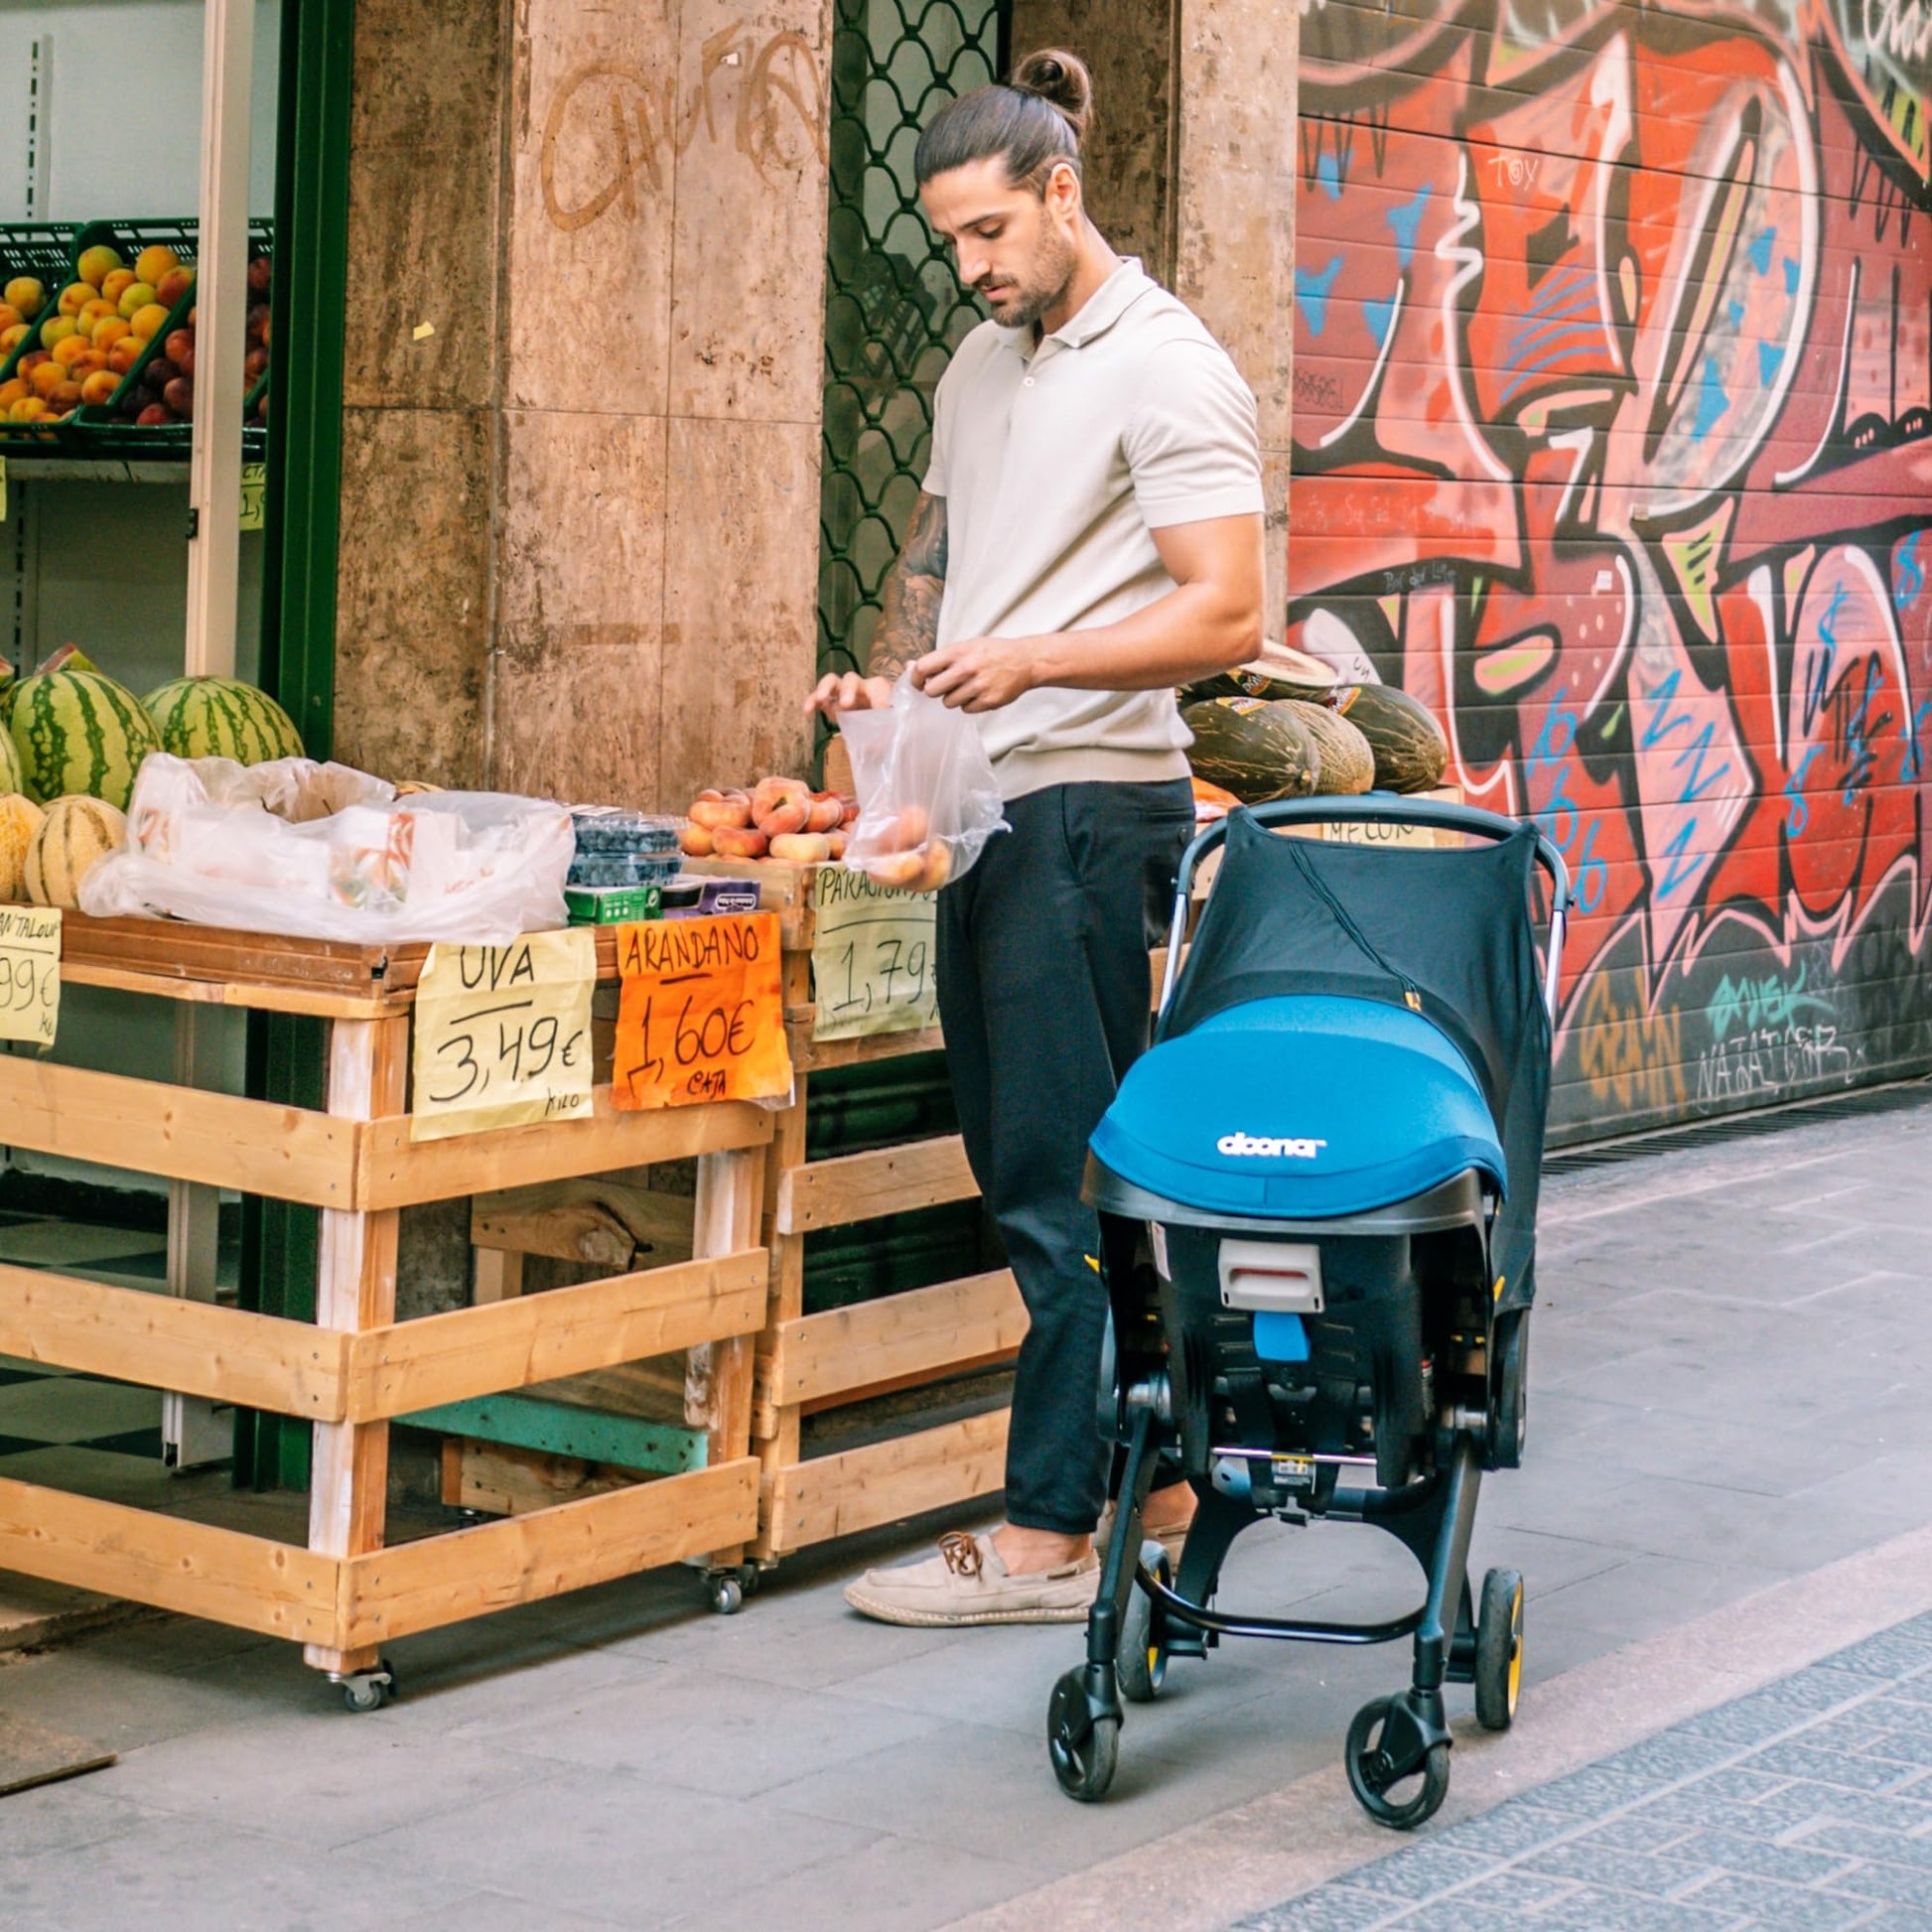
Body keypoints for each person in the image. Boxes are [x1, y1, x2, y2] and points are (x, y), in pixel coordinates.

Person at [808, 49, 1266, 1626]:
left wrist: (1032, 660)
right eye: (948, 240)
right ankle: (1174, 1482)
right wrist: (892, 692)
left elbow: (1227, 608)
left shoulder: (1168, 363)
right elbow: (938, 569)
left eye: (990, 232)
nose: (971, 266)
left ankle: (1045, 1532)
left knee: (1047, 1179)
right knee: (1038, 1161)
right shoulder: (978, 362)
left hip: (1085, 803)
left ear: (1062, 192)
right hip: (988, 803)